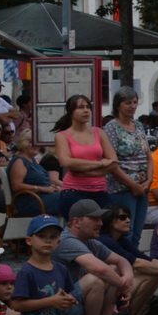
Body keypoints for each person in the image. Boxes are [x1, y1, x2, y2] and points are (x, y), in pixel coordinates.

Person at [54, 200, 135, 315]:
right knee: (96, 279)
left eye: (100, 219)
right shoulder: (67, 241)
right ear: (77, 222)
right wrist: (123, 287)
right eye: (95, 219)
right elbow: (99, 270)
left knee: (114, 269)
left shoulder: (90, 241)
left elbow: (121, 261)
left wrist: (127, 277)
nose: (100, 223)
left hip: (76, 307)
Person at [96, 206, 158, 315]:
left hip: (118, 288)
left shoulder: (121, 240)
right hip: (106, 291)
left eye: (128, 217)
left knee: (155, 273)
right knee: (152, 274)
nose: (128, 220)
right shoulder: (106, 241)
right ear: (110, 220)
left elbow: (146, 259)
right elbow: (136, 263)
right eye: (122, 217)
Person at [52, 94, 117, 222]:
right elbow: (67, 162)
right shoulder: (62, 136)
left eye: (88, 107)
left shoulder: (99, 132)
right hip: (74, 191)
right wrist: (100, 164)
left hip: (100, 190)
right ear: (71, 112)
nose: (86, 110)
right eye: (81, 107)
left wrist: (88, 171)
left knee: (110, 226)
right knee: (80, 229)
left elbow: (113, 162)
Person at [102, 89, 153, 240]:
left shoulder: (138, 126)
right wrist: (132, 185)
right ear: (118, 105)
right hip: (122, 187)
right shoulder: (111, 128)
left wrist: (149, 180)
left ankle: (134, 262)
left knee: (137, 231)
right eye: (127, 103)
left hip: (143, 186)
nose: (132, 106)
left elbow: (148, 156)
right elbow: (112, 162)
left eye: (135, 102)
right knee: (125, 231)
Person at [6, 133, 59, 219]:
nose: (37, 146)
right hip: (31, 201)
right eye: (33, 142)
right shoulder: (19, 161)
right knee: (67, 197)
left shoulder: (32, 160)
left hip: (42, 197)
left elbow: (41, 181)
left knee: (70, 195)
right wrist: (41, 188)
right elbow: (16, 186)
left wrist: (54, 187)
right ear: (24, 143)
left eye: (38, 143)